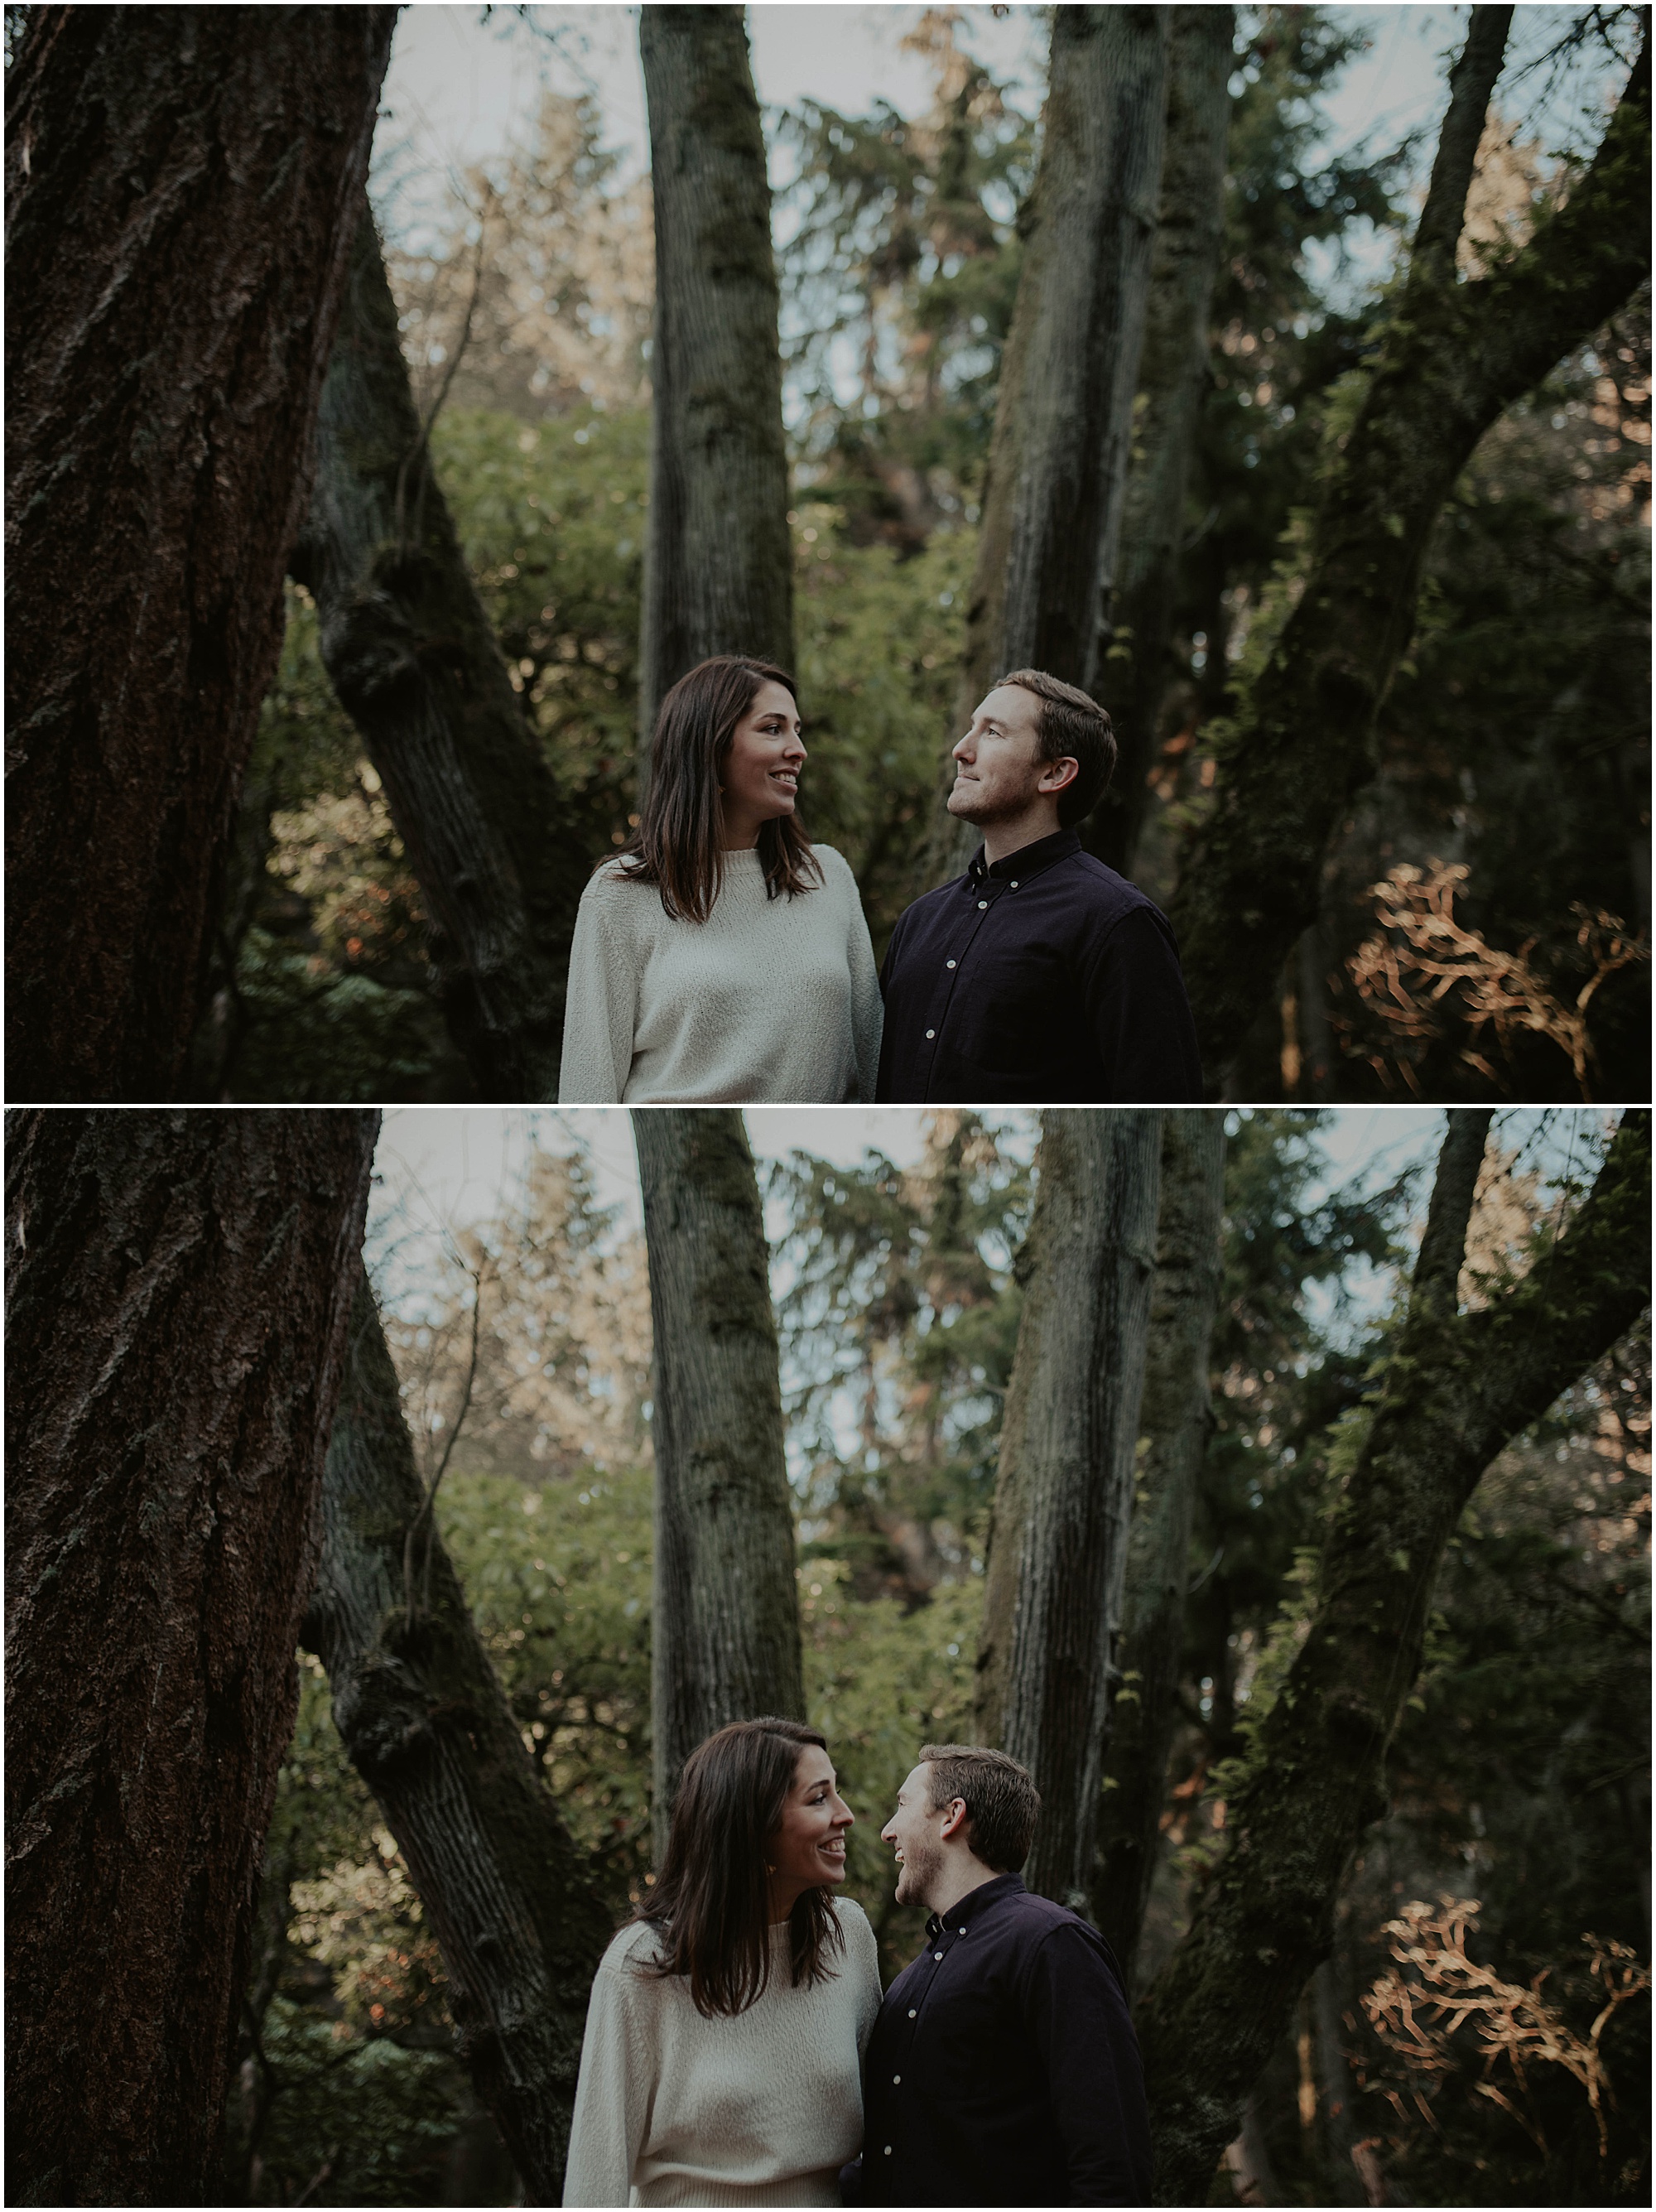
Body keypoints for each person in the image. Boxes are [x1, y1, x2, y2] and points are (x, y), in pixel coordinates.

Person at [563, 1718, 883, 2207]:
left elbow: (887, 2121)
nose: (845, 1815)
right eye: (819, 1798)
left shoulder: (848, 1937)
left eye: (836, 1793)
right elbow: (597, 2170)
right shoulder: (643, 1963)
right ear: (752, 1824)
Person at [558, 657, 882, 1102]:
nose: (798, 749)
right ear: (709, 746)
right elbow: (587, 1081)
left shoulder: (828, 877)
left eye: (797, 729)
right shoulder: (620, 894)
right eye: (773, 729)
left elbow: (873, 1054)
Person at [875, 670, 1203, 1102]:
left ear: (1054, 773)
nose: (961, 749)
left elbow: (1163, 1099)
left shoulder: (1117, 922)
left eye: (992, 733)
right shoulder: (920, 920)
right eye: (971, 728)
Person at [850, 1743, 1153, 2208]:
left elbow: (1111, 2154)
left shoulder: (1052, 1944)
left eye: (902, 1806)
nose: (889, 1831)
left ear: (952, 1816)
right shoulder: (913, 1977)